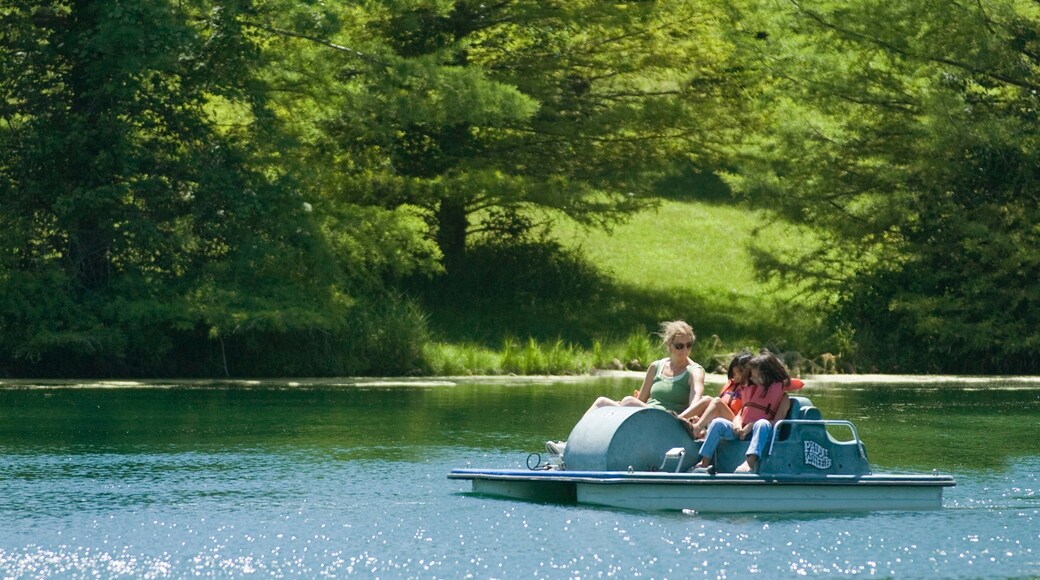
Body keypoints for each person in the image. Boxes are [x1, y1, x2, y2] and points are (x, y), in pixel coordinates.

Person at [690, 350, 803, 473]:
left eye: (756, 376)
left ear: (769, 375)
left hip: (763, 432)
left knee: (762, 423)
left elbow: (776, 422)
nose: (753, 379)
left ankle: (749, 463)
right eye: (752, 376)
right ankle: (704, 462)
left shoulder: (783, 397)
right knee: (718, 423)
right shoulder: (752, 390)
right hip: (743, 431)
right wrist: (738, 424)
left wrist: (752, 425)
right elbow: (741, 413)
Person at [586, 320, 706, 416]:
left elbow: (696, 401)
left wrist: (686, 419)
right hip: (648, 414)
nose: (685, 350)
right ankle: (572, 441)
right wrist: (627, 403)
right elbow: (641, 400)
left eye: (689, 345)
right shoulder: (656, 367)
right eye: (679, 346)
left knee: (629, 401)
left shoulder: (695, 371)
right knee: (601, 402)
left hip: (671, 419)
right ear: (669, 345)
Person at [678, 350, 753, 439]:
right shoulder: (730, 385)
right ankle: (678, 420)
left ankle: (696, 429)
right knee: (707, 399)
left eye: (739, 374)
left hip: (736, 425)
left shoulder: (751, 388)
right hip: (721, 419)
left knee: (716, 401)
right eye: (734, 373)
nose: (735, 377)